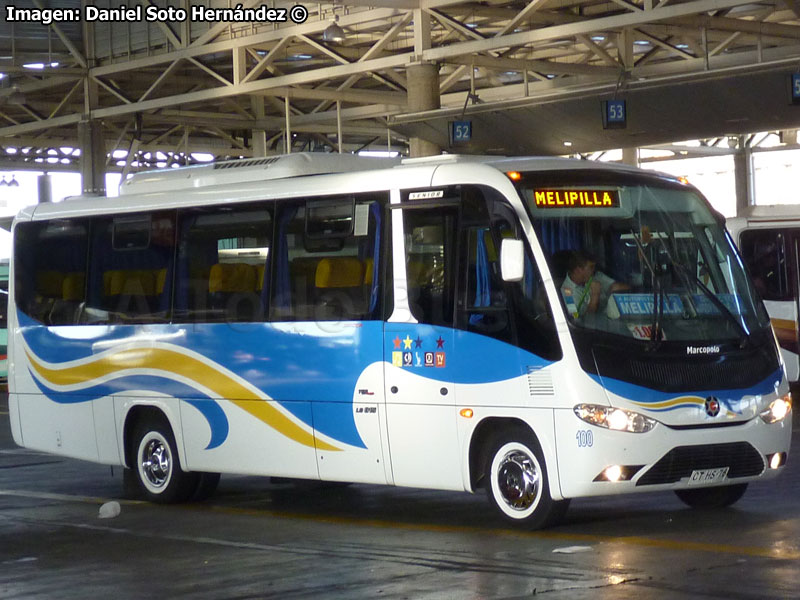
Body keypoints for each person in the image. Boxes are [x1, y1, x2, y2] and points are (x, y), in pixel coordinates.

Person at [560, 250, 628, 318]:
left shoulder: (596, 276)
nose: (594, 270)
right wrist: (595, 295)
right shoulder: (567, 292)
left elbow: (619, 286)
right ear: (578, 270)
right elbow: (576, 320)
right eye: (591, 267)